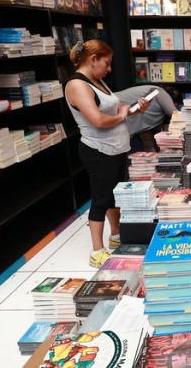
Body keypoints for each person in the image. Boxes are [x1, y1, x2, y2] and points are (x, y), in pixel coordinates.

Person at [64, 40, 151, 267]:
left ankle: (115, 236)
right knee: (101, 197)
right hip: (98, 150)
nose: (109, 69)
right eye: (107, 63)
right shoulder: (77, 85)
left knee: (116, 195)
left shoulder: (98, 80)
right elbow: (99, 120)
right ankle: (96, 250)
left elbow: (117, 106)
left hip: (117, 147)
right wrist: (124, 115)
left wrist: (134, 109)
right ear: (93, 59)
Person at [114, 84, 181, 156]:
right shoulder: (159, 92)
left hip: (126, 131)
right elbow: (174, 113)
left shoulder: (159, 115)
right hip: (113, 117)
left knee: (138, 155)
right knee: (136, 156)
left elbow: (157, 136)